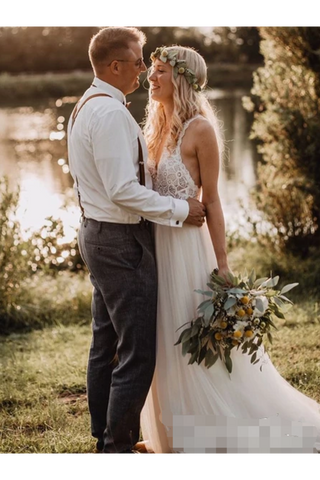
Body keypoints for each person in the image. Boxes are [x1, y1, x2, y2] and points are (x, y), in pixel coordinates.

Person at [140, 45, 320, 456]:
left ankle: (210, 428)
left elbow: (214, 201)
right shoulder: (156, 125)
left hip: (188, 250)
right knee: (164, 338)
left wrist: (222, 264)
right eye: (151, 70)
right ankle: (171, 432)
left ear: (181, 78)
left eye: (160, 71)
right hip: (157, 249)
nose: (151, 78)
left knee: (191, 336)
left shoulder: (199, 128)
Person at [67, 29, 206, 457]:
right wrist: (182, 211)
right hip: (119, 240)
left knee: (106, 343)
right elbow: (122, 190)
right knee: (136, 352)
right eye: (138, 61)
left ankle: (103, 436)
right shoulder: (108, 114)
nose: (143, 69)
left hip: (98, 232)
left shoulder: (88, 105)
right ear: (115, 66)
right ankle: (117, 447)